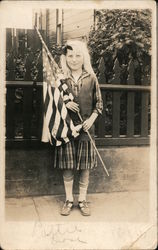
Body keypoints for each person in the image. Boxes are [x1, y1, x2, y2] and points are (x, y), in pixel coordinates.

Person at [54, 40, 103, 216]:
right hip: (66, 130)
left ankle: (82, 200)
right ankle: (68, 199)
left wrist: (91, 119)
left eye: (78, 55)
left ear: (84, 57)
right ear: (65, 58)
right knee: (68, 167)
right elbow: (55, 104)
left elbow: (99, 104)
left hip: (86, 131)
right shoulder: (60, 79)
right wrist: (65, 104)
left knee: (84, 168)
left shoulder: (91, 78)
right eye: (70, 56)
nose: (74, 59)